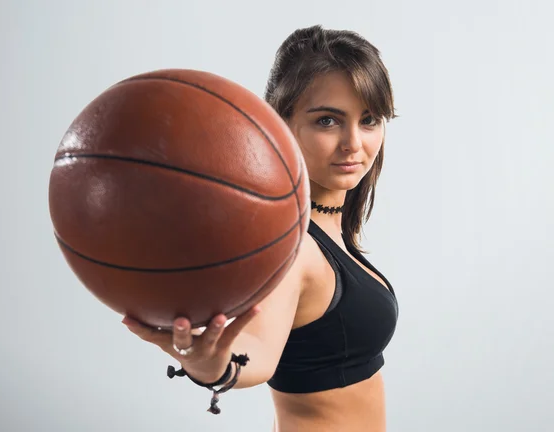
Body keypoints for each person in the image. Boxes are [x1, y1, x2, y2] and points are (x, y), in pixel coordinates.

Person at [122, 24, 399, 432]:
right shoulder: (294, 249)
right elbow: (256, 350)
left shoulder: (328, 227)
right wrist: (217, 367)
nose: (353, 143)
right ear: (280, 122)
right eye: (327, 121)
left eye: (369, 119)